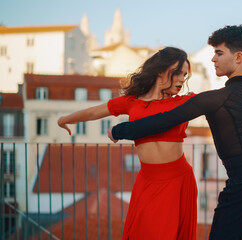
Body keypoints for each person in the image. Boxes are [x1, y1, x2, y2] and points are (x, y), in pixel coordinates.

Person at [109, 25, 242, 239]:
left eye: (219, 52)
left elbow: (164, 121)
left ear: (239, 57)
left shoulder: (214, 99)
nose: (213, 59)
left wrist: (119, 129)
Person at [57, 47, 198, 240]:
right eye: (178, 73)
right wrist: (64, 119)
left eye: (185, 75)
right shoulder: (132, 102)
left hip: (178, 179)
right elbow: (93, 112)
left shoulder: (186, 102)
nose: (182, 79)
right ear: (160, 71)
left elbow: (217, 103)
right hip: (147, 181)